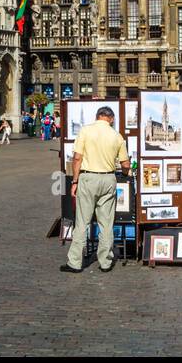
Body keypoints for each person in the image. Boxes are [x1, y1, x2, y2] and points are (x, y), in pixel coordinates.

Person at [61, 105, 129, 274]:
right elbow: (125, 164)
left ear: (98, 116)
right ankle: (105, 262)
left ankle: (75, 262)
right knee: (106, 223)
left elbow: (77, 158)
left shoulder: (85, 131)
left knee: (82, 221)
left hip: (88, 178)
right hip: (108, 179)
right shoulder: (117, 136)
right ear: (111, 119)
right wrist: (126, 172)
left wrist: (75, 181)